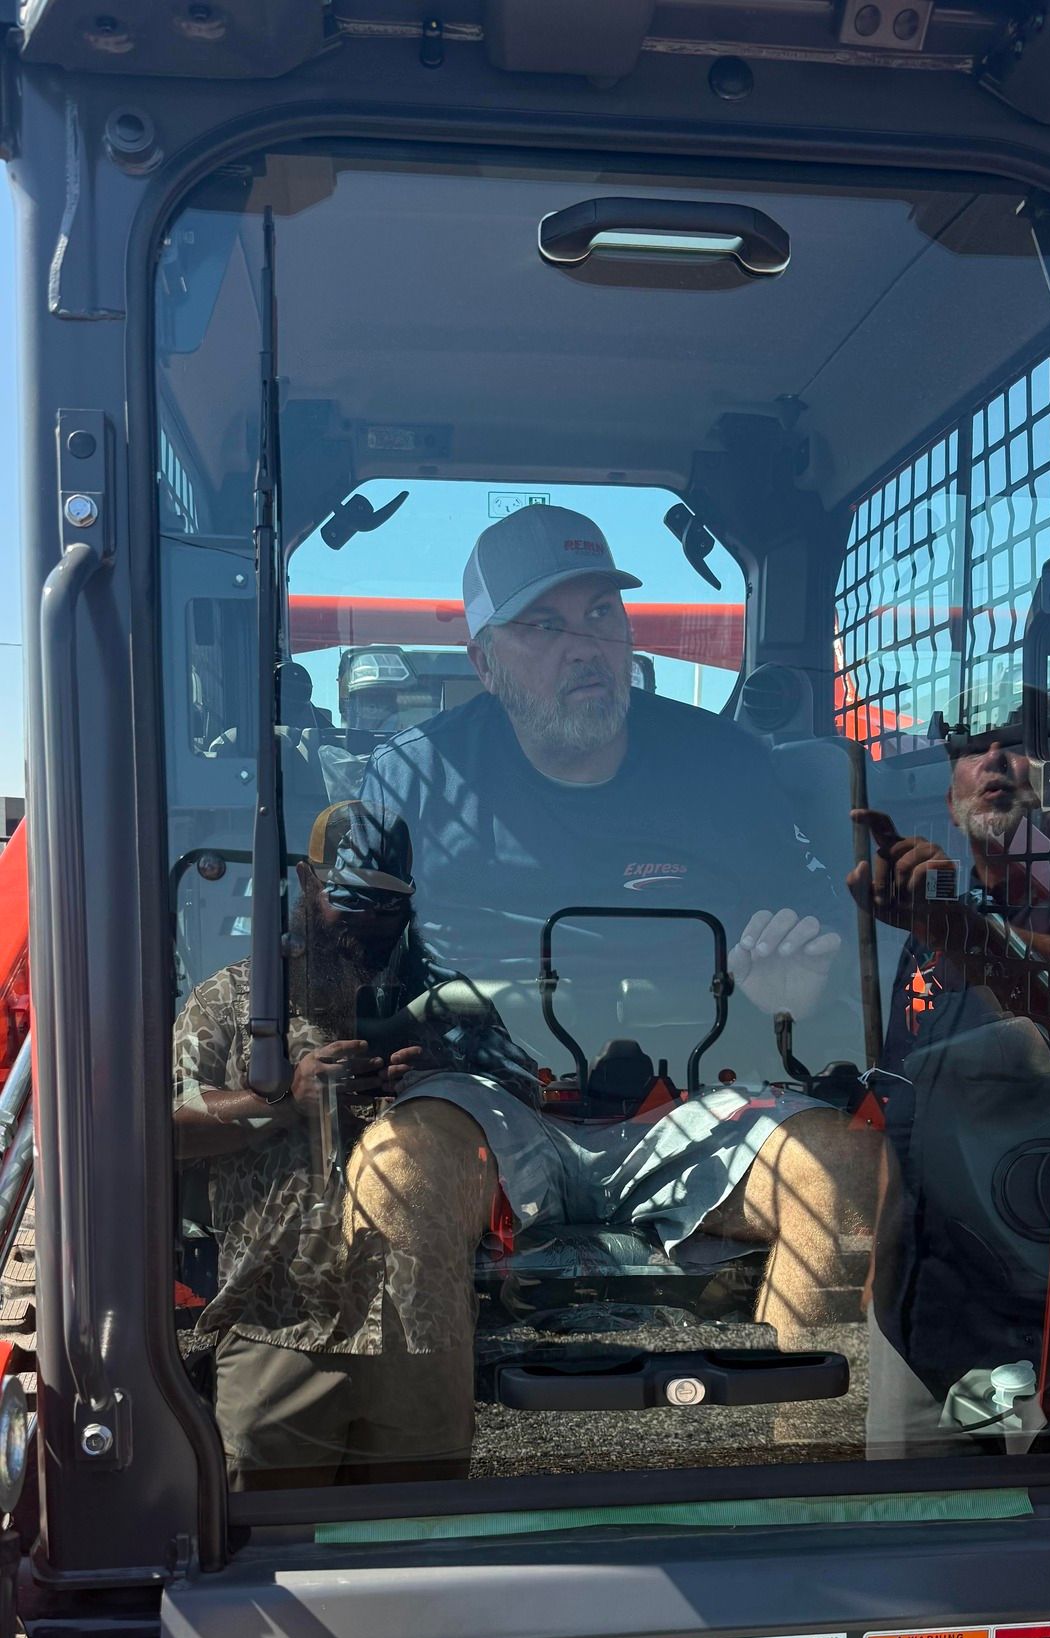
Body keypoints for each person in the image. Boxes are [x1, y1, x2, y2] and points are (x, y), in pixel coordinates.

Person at [337, 506, 880, 1357]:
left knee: (844, 1175)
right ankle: (418, 1481)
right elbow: (344, 968)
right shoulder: (414, 778)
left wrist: (797, 997)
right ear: (484, 661)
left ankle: (804, 1474)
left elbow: (829, 943)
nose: (583, 645)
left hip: (701, 1093)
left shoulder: (723, 764)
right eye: (544, 626)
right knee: (393, 1177)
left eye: (602, 615)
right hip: (490, 1100)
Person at [173, 802, 535, 1489]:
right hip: (279, 1323)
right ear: (308, 886)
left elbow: (534, 1101)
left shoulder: (448, 1005)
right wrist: (278, 1101)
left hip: (421, 1331)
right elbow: (157, 1125)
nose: (370, 921)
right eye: (351, 899)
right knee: (266, 1557)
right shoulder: (234, 1004)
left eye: (390, 906)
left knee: (416, 1550)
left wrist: (447, 1085)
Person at [848, 731, 1050, 1456]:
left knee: (1028, 1532)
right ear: (951, 796)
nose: (995, 761)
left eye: (1018, 743)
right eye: (973, 749)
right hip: (920, 1297)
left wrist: (971, 937)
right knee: (903, 1531)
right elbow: (899, 1097)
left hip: (1045, 1306)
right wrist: (879, 1261)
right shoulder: (926, 933)